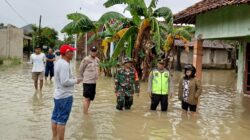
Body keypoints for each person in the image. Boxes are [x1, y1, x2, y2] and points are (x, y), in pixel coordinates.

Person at [51, 44, 82, 140]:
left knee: (55, 118)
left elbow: (62, 79)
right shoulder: (64, 64)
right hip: (65, 96)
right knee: (62, 121)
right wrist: (76, 81)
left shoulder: (58, 62)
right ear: (67, 53)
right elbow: (65, 82)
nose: (73, 53)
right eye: (72, 52)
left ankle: (54, 137)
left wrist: (72, 78)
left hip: (58, 95)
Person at [79, 46, 100, 115]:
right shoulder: (86, 59)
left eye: (95, 51)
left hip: (94, 82)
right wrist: (82, 78)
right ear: (90, 51)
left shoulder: (97, 60)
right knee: (86, 98)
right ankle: (85, 113)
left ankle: (86, 111)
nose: (93, 52)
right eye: (92, 51)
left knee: (90, 98)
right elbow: (81, 69)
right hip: (87, 81)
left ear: (96, 52)